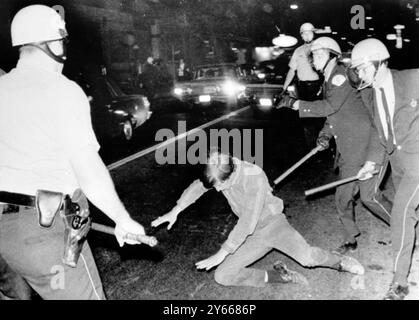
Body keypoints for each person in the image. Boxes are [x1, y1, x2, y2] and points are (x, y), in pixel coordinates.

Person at [0, 5, 147, 300]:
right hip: (44, 235)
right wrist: (122, 218)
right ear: (54, 43)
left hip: (5, 237)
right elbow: (88, 170)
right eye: (63, 41)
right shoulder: (61, 90)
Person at [152, 149, 365, 288]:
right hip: (253, 234)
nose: (217, 191)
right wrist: (176, 210)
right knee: (223, 276)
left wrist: (222, 252)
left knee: (308, 259)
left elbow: (248, 220)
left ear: (231, 176)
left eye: (220, 186)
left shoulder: (254, 176)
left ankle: (341, 262)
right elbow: (199, 186)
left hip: (273, 225)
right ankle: (279, 276)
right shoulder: (220, 169)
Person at [283, 37, 393, 254]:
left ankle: (405, 226)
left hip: (365, 146)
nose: (315, 59)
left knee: (369, 198)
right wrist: (325, 135)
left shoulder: (340, 75)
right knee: (343, 197)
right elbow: (335, 115)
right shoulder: (329, 78)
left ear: (333, 55)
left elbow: (328, 106)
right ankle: (351, 237)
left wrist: (295, 103)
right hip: (349, 148)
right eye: (313, 55)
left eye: (321, 54)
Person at [351, 38, 419, 300]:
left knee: (402, 213)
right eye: (357, 70)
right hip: (398, 163)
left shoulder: (412, 79)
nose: (360, 74)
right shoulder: (370, 95)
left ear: (380, 63)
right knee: (405, 211)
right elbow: (380, 132)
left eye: (364, 68)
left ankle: (399, 283)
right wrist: (371, 162)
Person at [283, 22, 324, 149]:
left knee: (320, 117)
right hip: (303, 88)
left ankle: (323, 145)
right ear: (301, 36)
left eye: (309, 33)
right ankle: (311, 149)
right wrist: (284, 87)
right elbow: (291, 70)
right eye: (304, 33)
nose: (307, 35)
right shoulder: (298, 51)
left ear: (313, 33)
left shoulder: (320, 48)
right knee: (306, 118)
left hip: (318, 87)